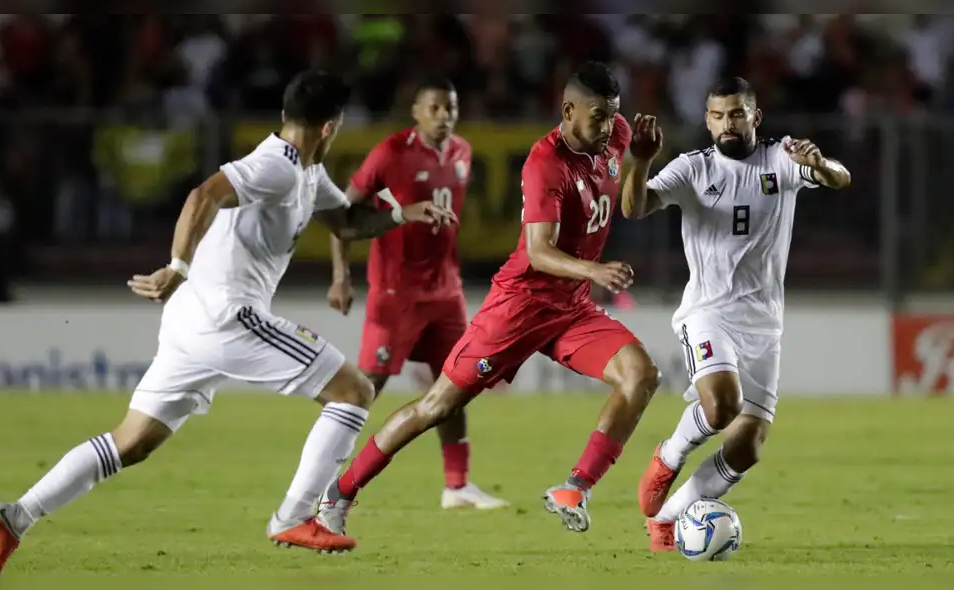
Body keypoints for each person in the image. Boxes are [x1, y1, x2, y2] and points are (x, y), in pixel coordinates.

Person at [0, 69, 456, 577]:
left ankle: (15, 515)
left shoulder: (309, 173)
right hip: (227, 316)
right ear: (330, 127)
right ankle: (293, 516)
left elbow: (348, 221)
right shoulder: (275, 166)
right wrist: (177, 266)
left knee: (132, 440)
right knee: (354, 391)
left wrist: (403, 214)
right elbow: (202, 197)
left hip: (192, 323)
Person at [315, 61, 664, 545]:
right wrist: (594, 270)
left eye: (613, 116)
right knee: (437, 405)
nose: (608, 127)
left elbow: (629, 205)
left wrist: (641, 162)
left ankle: (574, 488)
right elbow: (539, 251)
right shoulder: (545, 163)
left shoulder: (619, 135)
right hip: (520, 306)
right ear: (568, 110)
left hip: (571, 308)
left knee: (641, 375)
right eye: (598, 116)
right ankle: (340, 493)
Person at [626, 77, 852, 551]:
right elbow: (634, 207)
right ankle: (668, 456)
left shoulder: (782, 159)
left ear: (755, 116)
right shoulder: (691, 168)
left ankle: (667, 518)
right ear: (707, 120)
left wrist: (821, 165)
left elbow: (841, 178)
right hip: (708, 312)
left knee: (747, 444)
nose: (727, 124)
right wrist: (642, 158)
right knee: (721, 406)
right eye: (717, 116)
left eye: (736, 114)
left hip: (764, 323)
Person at [326, 76, 508, 510]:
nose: (445, 117)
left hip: (446, 291)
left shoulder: (463, 152)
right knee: (368, 385)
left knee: (456, 382)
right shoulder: (391, 152)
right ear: (416, 112)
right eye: (436, 109)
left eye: (451, 108)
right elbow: (342, 213)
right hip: (395, 291)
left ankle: (457, 485)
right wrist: (341, 275)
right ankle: (326, 473)